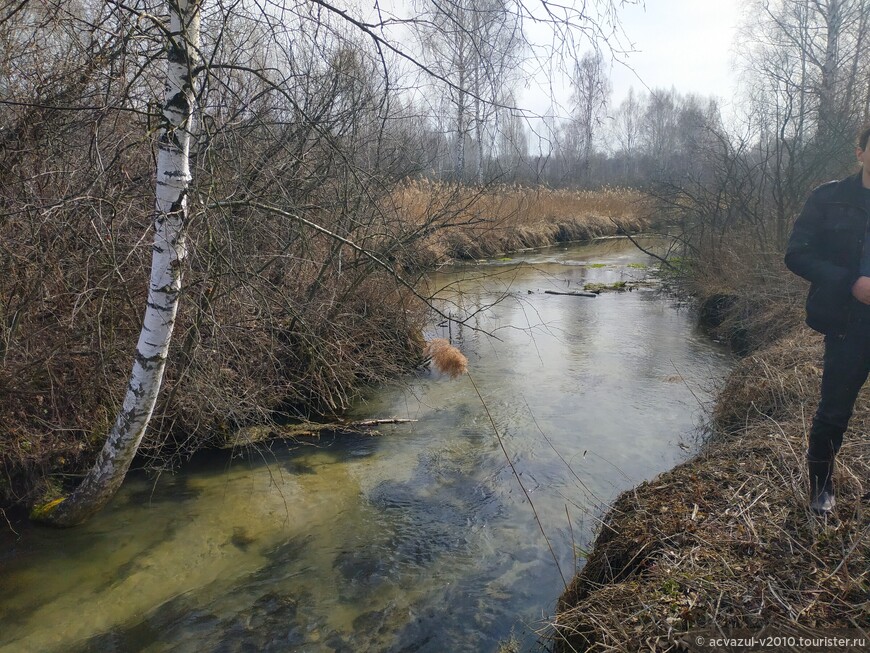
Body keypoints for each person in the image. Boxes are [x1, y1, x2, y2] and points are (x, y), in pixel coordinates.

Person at [784, 123, 870, 514]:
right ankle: (821, 488)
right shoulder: (828, 198)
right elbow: (797, 254)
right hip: (846, 321)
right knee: (834, 409)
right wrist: (850, 282)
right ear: (860, 151)